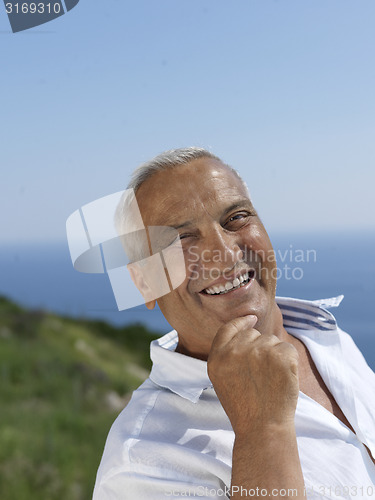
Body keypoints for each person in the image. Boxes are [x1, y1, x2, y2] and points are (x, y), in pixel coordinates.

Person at [92, 148, 375, 499]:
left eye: (237, 217)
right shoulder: (140, 463)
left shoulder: (326, 334)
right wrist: (262, 431)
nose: (224, 253)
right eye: (181, 238)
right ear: (145, 284)